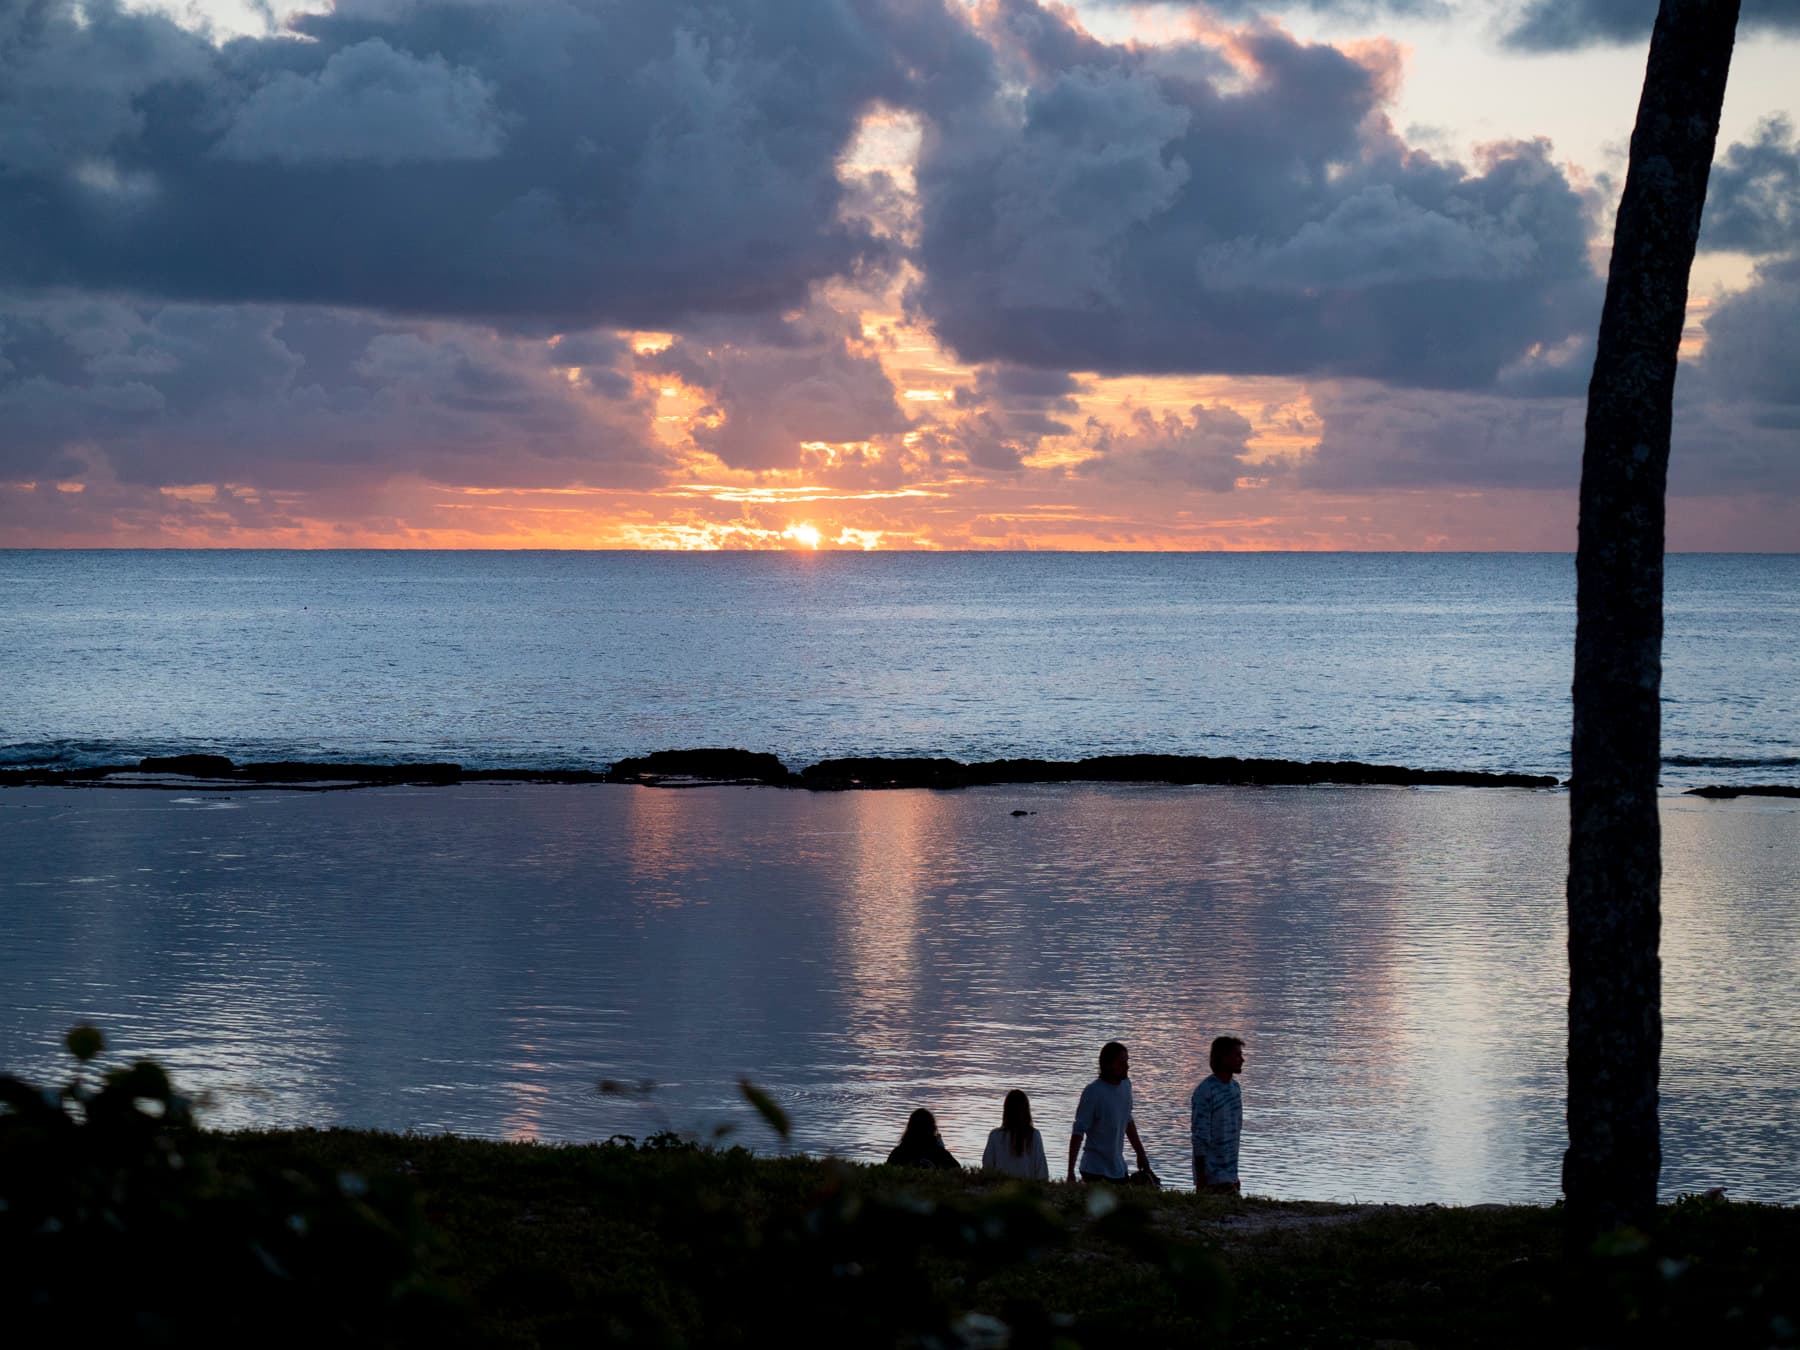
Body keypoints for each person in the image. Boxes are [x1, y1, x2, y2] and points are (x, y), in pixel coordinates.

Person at [1068, 1041, 1152, 1183]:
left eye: (1126, 1062)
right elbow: (1078, 1131)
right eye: (1121, 1063)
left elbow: (1128, 1121)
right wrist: (1070, 1171)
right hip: (1094, 1169)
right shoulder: (1093, 1092)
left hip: (1118, 1169)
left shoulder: (1126, 1086)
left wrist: (1140, 1153)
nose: (1127, 1066)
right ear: (1107, 1065)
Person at [1191, 1036, 1245, 1193]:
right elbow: (1199, 1137)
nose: (1242, 1060)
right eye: (1237, 1055)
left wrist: (1235, 1176)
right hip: (1212, 1176)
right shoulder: (1205, 1091)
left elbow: (1235, 1132)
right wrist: (1202, 1180)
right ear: (1223, 1058)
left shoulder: (1235, 1088)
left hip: (1230, 1175)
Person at [981, 1089, 1050, 1181]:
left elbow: (987, 1168)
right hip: (1026, 1191)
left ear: (1006, 1110)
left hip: (999, 1190)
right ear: (1026, 1111)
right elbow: (1042, 1172)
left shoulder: (995, 1136)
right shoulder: (1034, 1136)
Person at [887, 1107, 961, 1170]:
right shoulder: (940, 1154)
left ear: (910, 1128)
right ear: (933, 1129)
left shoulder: (898, 1153)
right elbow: (958, 1172)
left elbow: (887, 1172)